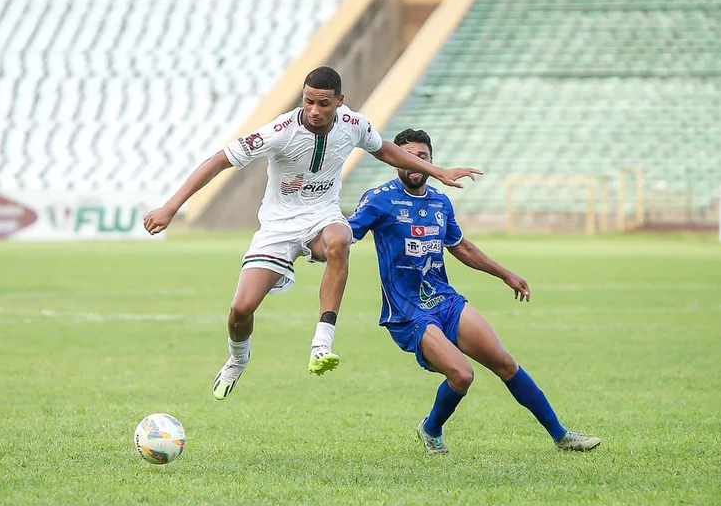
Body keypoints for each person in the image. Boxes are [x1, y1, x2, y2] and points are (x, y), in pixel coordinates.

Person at [143, 68, 482, 400]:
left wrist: (437, 172)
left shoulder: (354, 124)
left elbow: (386, 150)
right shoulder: (279, 131)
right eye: (308, 102)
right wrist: (171, 207)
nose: (315, 111)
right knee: (241, 309)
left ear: (339, 102)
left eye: (323, 104)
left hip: (322, 217)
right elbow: (219, 161)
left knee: (340, 238)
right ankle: (238, 358)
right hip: (278, 228)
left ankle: (322, 342)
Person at [347, 128, 601, 453]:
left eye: (422, 156)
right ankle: (431, 428)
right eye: (408, 156)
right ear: (396, 160)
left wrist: (505, 274)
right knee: (462, 376)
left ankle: (561, 436)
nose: (415, 162)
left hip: (446, 301)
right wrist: (316, 244)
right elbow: (346, 234)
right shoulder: (379, 199)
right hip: (409, 311)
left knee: (505, 363)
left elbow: (461, 247)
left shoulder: (440, 202)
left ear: (431, 161)